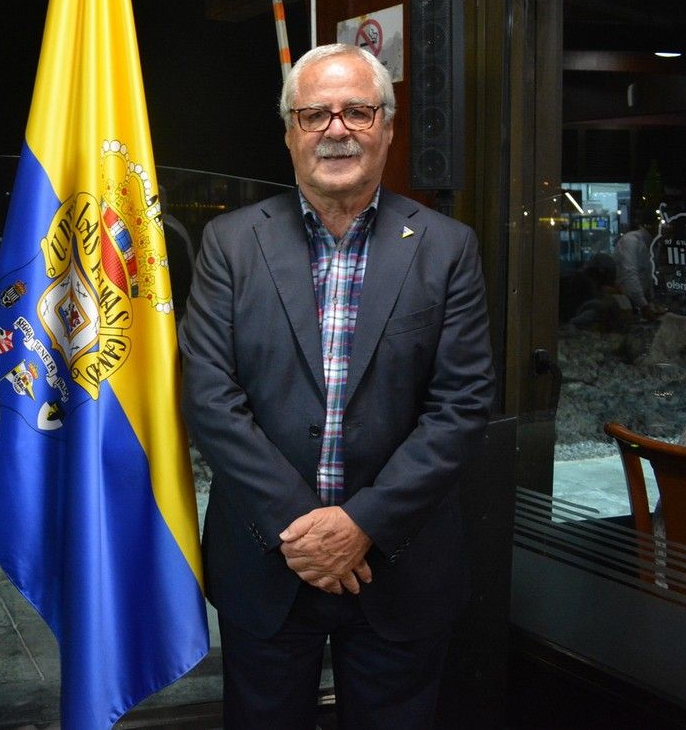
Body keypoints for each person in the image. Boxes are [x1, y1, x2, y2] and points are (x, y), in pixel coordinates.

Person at [179, 43, 495, 728]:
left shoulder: (447, 248)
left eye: (357, 110)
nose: (337, 129)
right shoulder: (229, 245)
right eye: (315, 113)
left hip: (401, 564)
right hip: (268, 560)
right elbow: (209, 396)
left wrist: (361, 525)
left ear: (386, 125)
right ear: (291, 131)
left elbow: (462, 405)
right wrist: (305, 528)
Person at [613, 218, 665, 320]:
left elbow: (648, 276)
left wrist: (650, 301)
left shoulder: (653, 245)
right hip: (623, 302)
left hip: (638, 302)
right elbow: (630, 274)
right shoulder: (631, 241)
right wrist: (644, 306)